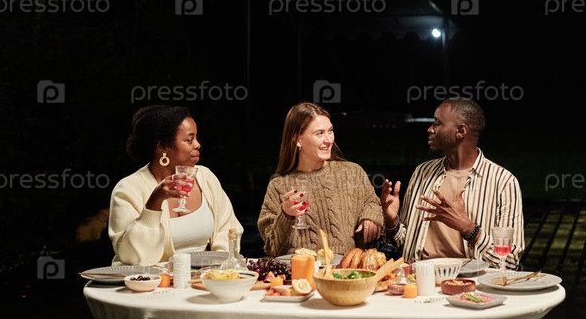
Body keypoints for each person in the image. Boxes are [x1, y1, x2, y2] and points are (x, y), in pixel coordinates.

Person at [380, 97, 525, 268]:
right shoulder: (422, 173)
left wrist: (470, 230)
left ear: (460, 131)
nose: (430, 129)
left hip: (472, 281)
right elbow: (403, 244)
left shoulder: (503, 182)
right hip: (420, 277)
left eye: (437, 123)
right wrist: (392, 222)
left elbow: (510, 262)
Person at [108, 105, 244, 265]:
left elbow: (229, 231)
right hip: (153, 279)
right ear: (162, 146)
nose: (197, 144)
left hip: (204, 275)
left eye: (196, 138)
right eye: (189, 140)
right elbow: (131, 257)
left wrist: (216, 267)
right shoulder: (127, 189)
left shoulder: (205, 177)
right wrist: (154, 203)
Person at [257, 102, 383, 257]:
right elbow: (273, 248)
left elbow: (372, 202)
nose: (329, 140)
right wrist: (286, 215)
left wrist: (371, 217)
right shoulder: (278, 186)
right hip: (300, 270)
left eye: (330, 131)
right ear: (297, 139)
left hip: (344, 269)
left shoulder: (352, 172)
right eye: (319, 133)